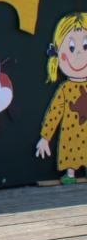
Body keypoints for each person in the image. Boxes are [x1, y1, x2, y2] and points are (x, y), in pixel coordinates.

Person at [37, 11, 87, 185]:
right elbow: (54, 113)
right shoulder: (65, 89)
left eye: (85, 46)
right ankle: (70, 173)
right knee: (71, 150)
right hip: (70, 135)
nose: (79, 53)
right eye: (71, 47)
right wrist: (45, 137)